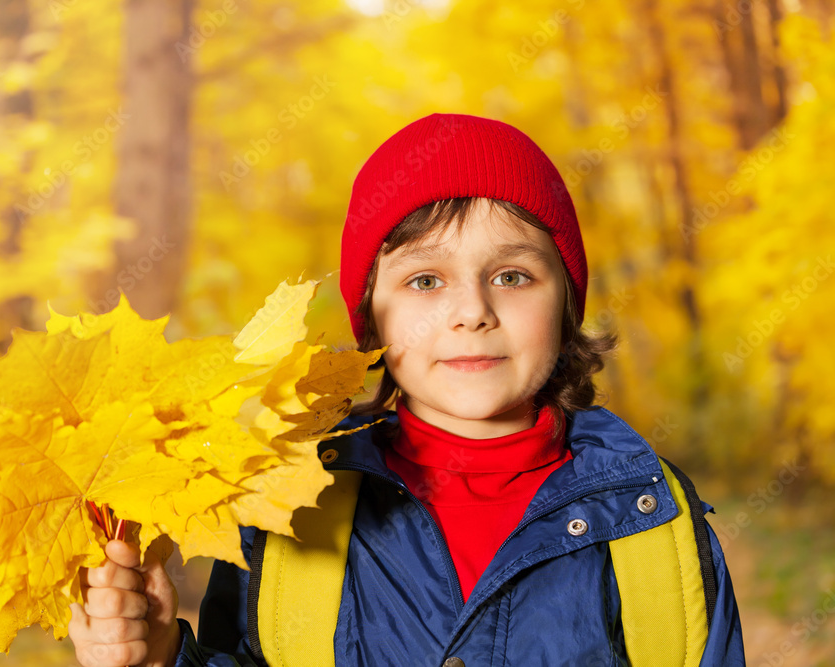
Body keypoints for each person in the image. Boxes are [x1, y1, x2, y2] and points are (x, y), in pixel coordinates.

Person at [68, 112, 746, 666]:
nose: (471, 310)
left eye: (512, 275)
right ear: (372, 317)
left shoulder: (654, 517)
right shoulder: (291, 505)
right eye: (425, 281)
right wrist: (157, 658)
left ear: (566, 304)